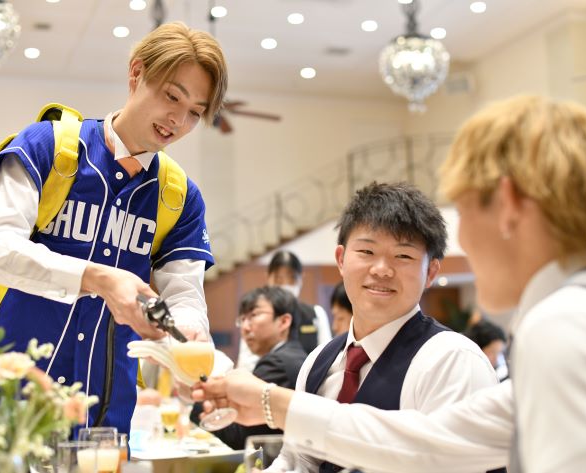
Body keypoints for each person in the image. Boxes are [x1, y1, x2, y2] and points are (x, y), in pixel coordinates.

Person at [194, 96, 586, 473]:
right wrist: (272, 402)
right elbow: (428, 443)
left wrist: (272, 402)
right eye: (366, 252)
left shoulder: (565, 324)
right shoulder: (582, 313)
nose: (464, 241)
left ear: (509, 203)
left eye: (464, 210)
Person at [0, 22, 228, 435]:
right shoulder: (48, 147)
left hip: (105, 423)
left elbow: (184, 296)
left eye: (195, 112)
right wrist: (98, 279)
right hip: (5, 412)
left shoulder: (179, 197)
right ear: (136, 72)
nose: (178, 120)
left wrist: (189, 338)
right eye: (171, 96)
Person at [214, 181, 499, 472]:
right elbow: (298, 459)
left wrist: (271, 401)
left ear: (431, 272)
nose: (381, 269)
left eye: (403, 256)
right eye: (366, 251)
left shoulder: (452, 360)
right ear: (341, 260)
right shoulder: (318, 361)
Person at [194, 286, 307, 449]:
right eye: (242, 320)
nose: (245, 328)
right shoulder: (294, 355)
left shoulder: (277, 364)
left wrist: (198, 398)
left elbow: (240, 438)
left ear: (284, 321)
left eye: (254, 316)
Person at [237, 251, 332, 371]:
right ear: (268, 278)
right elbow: (246, 363)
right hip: (263, 376)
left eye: (292, 278)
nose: (285, 285)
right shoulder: (256, 316)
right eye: (278, 279)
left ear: (301, 279)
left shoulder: (315, 313)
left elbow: (327, 357)